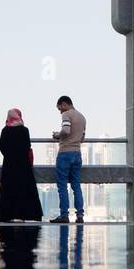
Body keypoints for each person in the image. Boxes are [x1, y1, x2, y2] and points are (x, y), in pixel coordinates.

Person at [0, 108, 43, 223]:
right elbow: (27, 146)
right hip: (23, 164)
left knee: (9, 189)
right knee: (24, 188)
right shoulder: (24, 130)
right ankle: (26, 214)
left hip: (9, 164)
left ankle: (8, 215)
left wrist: (9, 155)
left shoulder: (5, 130)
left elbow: (1, 146)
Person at [50, 95, 86, 223]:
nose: (60, 111)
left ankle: (64, 215)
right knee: (76, 185)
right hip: (77, 154)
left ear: (64, 104)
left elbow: (65, 130)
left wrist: (57, 135)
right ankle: (80, 215)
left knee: (62, 185)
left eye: (59, 108)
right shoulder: (82, 117)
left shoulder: (66, 114)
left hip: (65, 153)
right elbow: (82, 138)